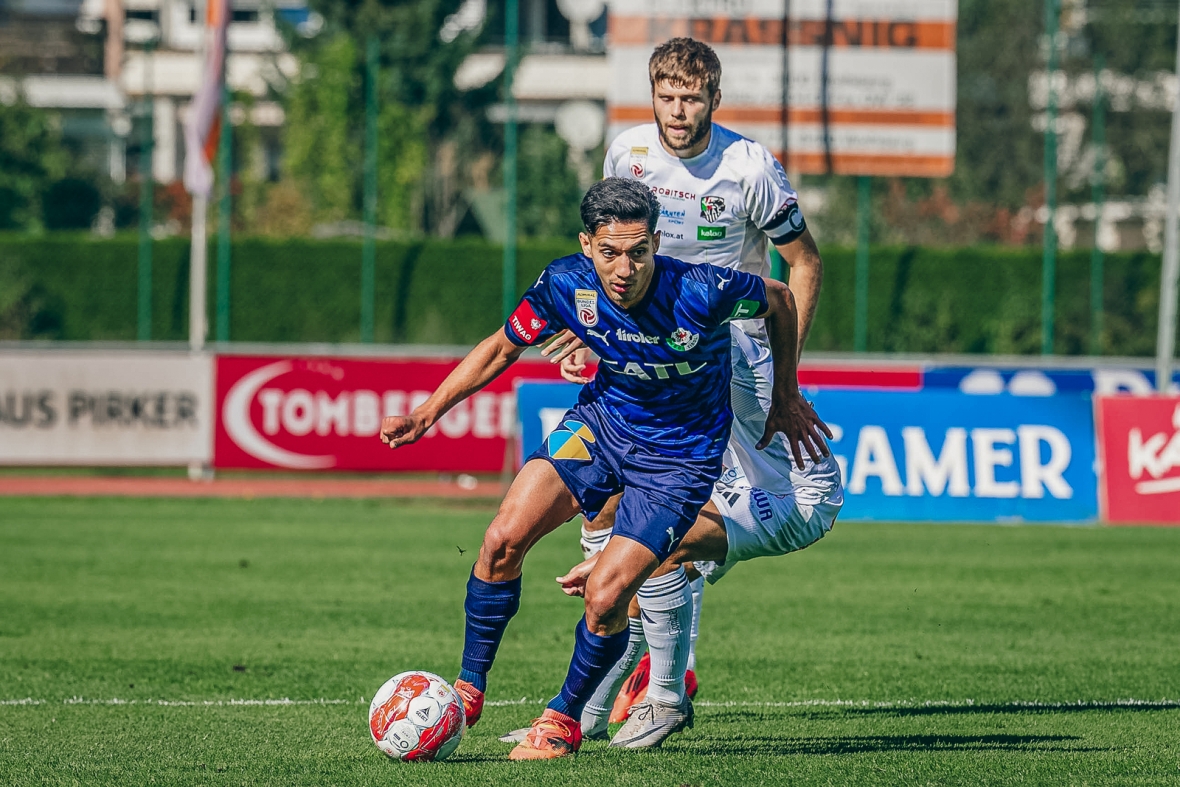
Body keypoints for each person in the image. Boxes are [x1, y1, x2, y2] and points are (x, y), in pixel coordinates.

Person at [380, 177, 830, 761]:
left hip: (678, 460)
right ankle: (467, 690)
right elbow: (500, 347)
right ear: (587, 244)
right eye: (611, 252)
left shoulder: (703, 289)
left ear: (657, 245)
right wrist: (427, 412)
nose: (625, 268)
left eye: (639, 252)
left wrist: (785, 395)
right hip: (602, 428)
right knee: (500, 539)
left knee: (605, 593)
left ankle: (563, 719)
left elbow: (781, 299)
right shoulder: (564, 283)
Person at [534, 36, 829, 741]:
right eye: (666, 95)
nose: (677, 110)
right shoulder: (628, 153)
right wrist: (596, 324)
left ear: (713, 100)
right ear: (652, 95)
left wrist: (786, 373)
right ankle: (628, 687)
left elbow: (802, 264)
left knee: (671, 529)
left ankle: (642, 665)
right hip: (648, 357)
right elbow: (613, 250)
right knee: (614, 507)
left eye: (691, 97)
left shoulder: (748, 166)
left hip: (732, 357)